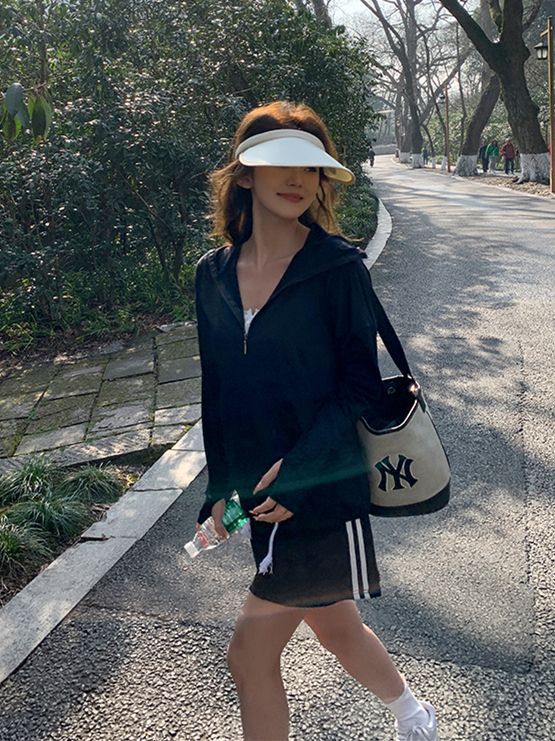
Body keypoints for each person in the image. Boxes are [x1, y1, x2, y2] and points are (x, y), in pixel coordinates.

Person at [195, 100, 438, 741]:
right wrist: (219, 489)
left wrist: (299, 472)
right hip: (261, 496)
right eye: (280, 162)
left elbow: (359, 388)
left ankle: (415, 717)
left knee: (249, 656)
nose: (297, 178)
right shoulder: (212, 275)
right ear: (245, 173)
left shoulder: (337, 268)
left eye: (310, 164)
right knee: (335, 626)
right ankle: (416, 717)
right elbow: (218, 392)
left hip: (320, 491)